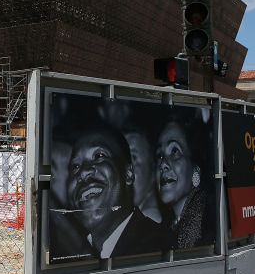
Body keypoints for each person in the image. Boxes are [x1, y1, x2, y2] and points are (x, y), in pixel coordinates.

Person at [66, 124, 174, 258]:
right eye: (75, 166)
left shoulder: (156, 248)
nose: (83, 171)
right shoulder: (71, 253)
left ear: (128, 174)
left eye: (99, 156)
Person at [155, 110, 215, 248]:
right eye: (159, 155)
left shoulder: (204, 226)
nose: (163, 164)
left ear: (195, 168)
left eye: (175, 151)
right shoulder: (168, 225)